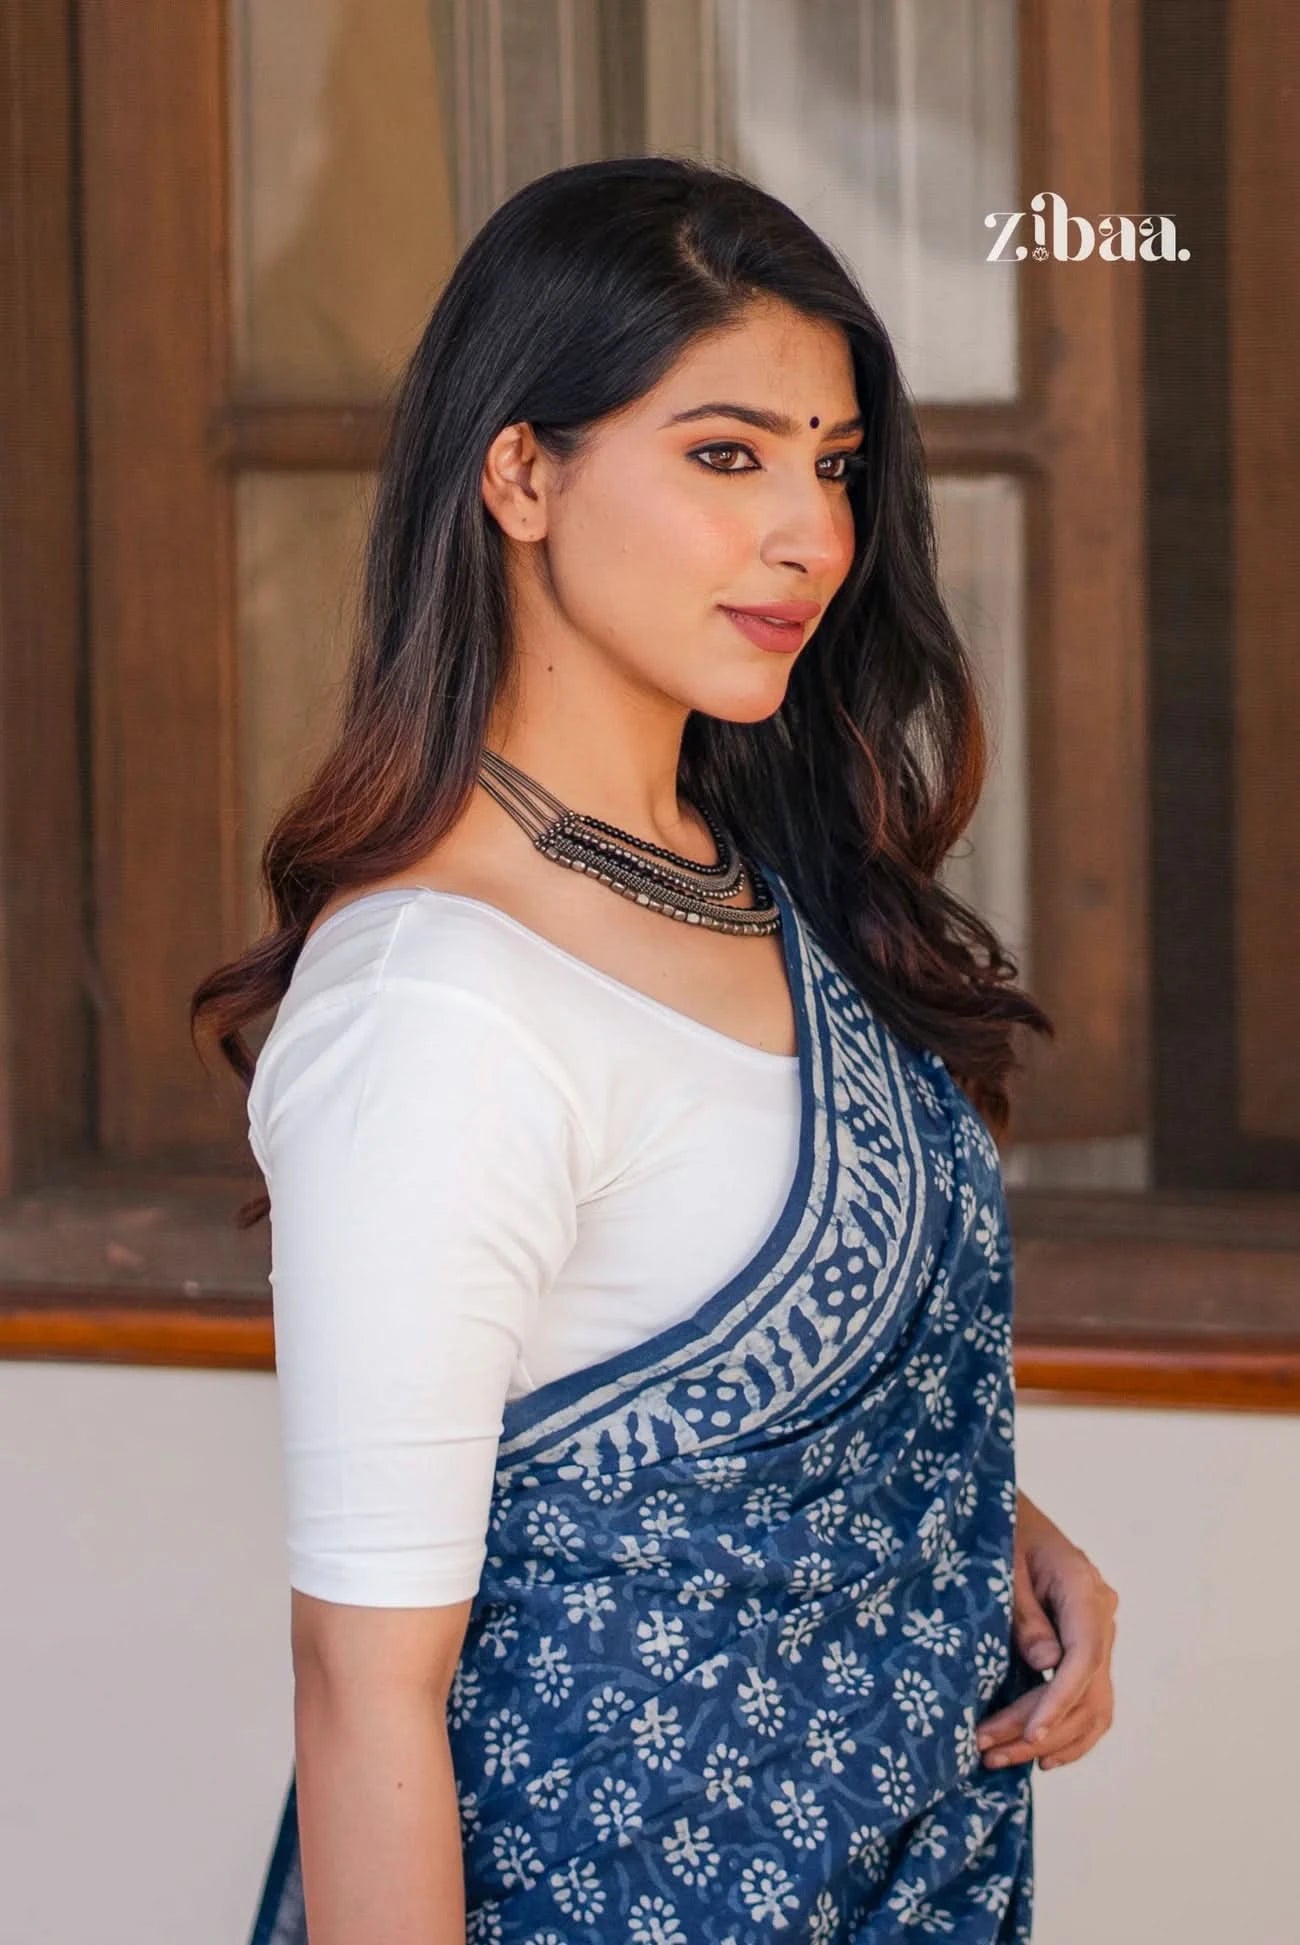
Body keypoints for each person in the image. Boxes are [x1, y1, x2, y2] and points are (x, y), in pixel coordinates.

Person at [192, 154, 1118, 1944]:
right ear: (520, 474)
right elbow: (362, 1688)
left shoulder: (760, 875)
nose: (814, 535)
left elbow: (697, 1417)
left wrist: (972, 1526)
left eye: (833, 463)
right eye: (726, 454)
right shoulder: (436, 1000)